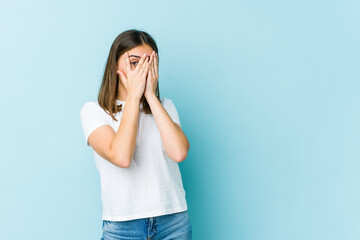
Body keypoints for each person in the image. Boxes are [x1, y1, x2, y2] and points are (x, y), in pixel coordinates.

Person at [80, 29, 192, 240]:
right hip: (123, 227)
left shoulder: (165, 106)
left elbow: (178, 153)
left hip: (173, 222)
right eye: (134, 63)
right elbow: (121, 156)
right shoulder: (94, 111)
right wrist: (133, 97)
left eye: (148, 63)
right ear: (115, 66)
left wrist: (150, 96)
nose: (142, 70)